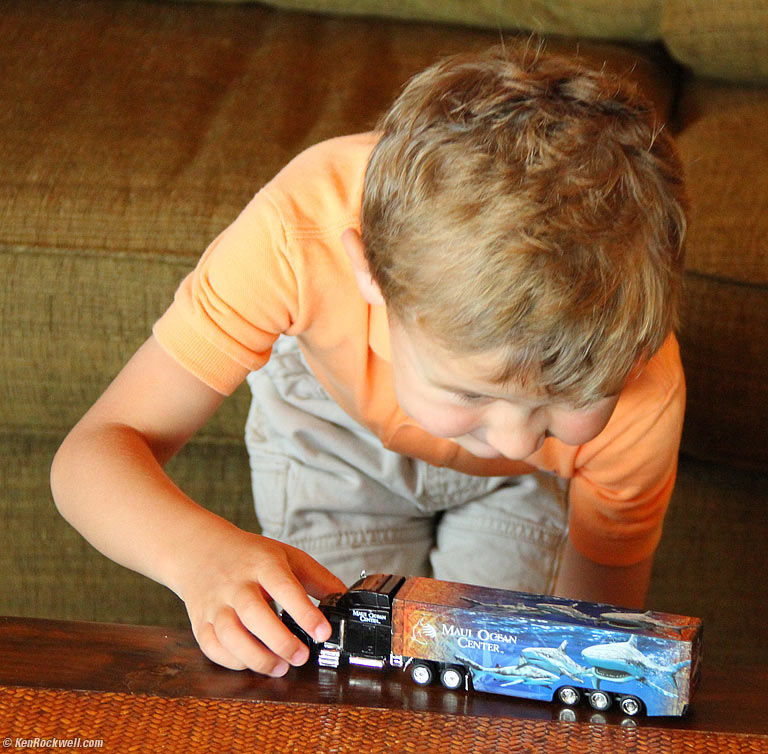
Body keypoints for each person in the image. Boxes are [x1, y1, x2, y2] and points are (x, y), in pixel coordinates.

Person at [50, 44, 687, 680]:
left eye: (570, 398)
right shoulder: (298, 230)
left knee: (496, 682)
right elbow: (92, 455)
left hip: (525, 491)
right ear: (370, 278)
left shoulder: (642, 383)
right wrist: (197, 556)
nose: (516, 437)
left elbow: (590, 628)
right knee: (343, 676)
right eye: (468, 393)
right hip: (337, 433)